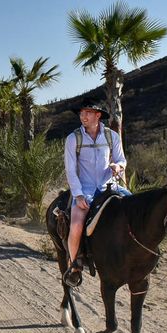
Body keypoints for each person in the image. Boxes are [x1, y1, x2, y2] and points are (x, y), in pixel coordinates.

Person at [63, 101, 131, 286]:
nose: (83, 116)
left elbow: (121, 160)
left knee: (134, 208)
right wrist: (78, 195)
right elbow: (70, 170)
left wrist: (118, 167)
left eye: (88, 112)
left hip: (109, 186)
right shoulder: (73, 139)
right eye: (81, 113)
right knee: (76, 225)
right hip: (84, 190)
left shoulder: (112, 137)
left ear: (98, 115)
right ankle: (74, 265)